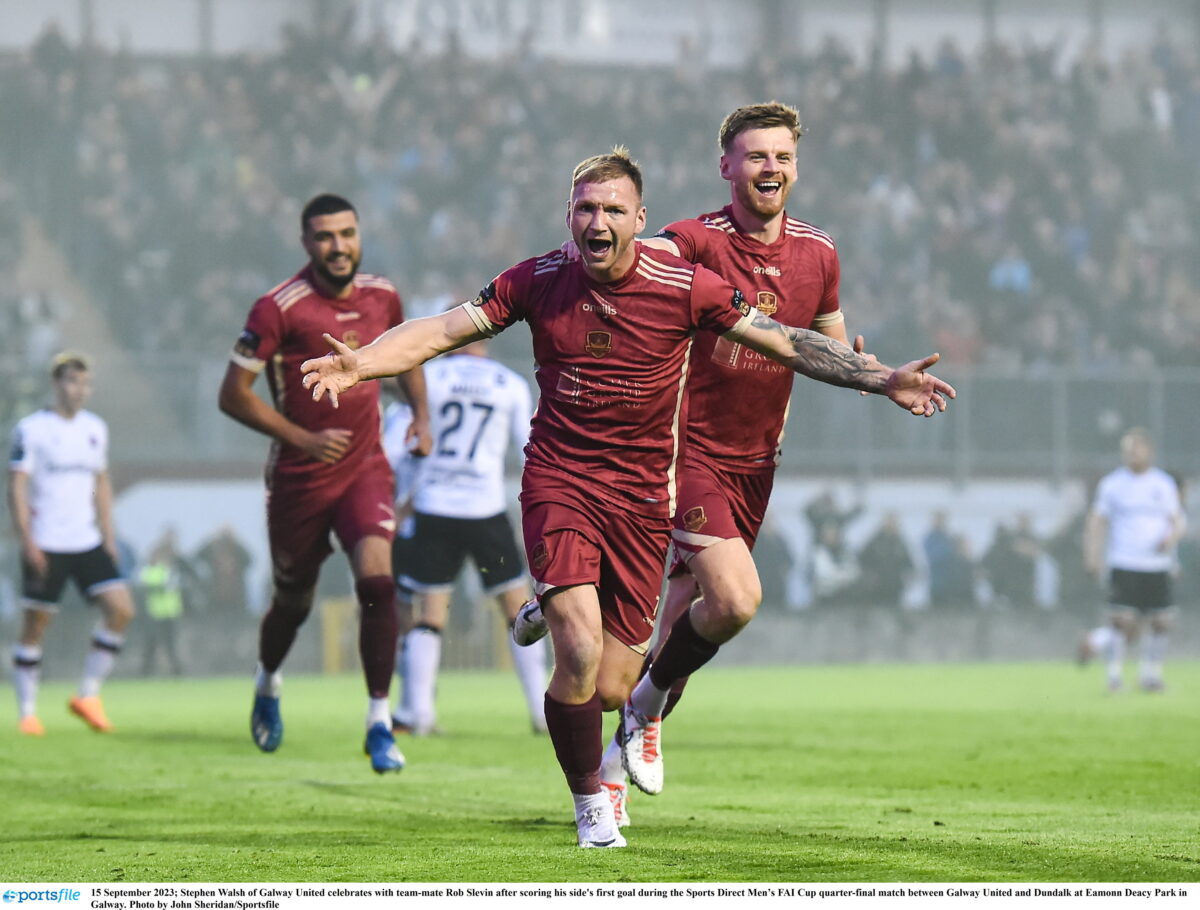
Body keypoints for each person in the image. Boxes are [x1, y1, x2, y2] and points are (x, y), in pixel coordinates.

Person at [301, 147, 955, 847]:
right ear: (569, 217)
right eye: (585, 208)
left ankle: (543, 607)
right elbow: (440, 331)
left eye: (613, 209)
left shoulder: (686, 285)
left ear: (640, 221)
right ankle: (590, 807)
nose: (598, 220)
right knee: (577, 652)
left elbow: (787, 343)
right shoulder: (536, 280)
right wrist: (362, 363)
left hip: (645, 501)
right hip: (561, 482)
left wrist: (878, 377)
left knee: (612, 687)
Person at [514, 103, 881, 815]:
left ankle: (615, 740)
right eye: (754, 156)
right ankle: (629, 728)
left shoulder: (820, 251)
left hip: (755, 462)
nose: (768, 168)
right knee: (737, 598)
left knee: (677, 631)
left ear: (796, 167)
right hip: (684, 454)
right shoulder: (688, 243)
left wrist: (870, 373)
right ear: (727, 167)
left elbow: (823, 339)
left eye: (780, 156)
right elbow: (627, 275)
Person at [218, 193, 431, 773]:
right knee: (293, 601)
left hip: (365, 468)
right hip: (299, 478)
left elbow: (407, 353)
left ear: (359, 235)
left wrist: (421, 414)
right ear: (306, 243)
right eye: (324, 236)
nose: (338, 246)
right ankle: (267, 682)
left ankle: (380, 722)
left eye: (346, 233)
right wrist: (303, 438)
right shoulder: (277, 308)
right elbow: (231, 394)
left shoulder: (383, 295)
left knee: (379, 584)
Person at [390, 335, 547, 736]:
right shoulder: (507, 383)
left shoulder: (429, 377)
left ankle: (419, 713)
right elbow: (529, 447)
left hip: (434, 507)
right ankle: (541, 712)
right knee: (516, 609)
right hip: (485, 510)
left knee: (428, 613)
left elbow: (397, 443)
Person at [8, 352, 136, 735]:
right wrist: (27, 539)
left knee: (122, 609)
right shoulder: (32, 429)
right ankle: (28, 712)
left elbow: (101, 482)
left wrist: (109, 536)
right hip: (47, 540)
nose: (79, 390)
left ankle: (88, 695)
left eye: (85, 383)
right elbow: (16, 485)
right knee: (36, 626)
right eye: (72, 381)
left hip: (86, 539)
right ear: (56, 384)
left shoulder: (95, 428)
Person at [1083, 428, 1185, 693]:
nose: (1132, 454)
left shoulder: (1162, 484)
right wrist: (1093, 555)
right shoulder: (1113, 484)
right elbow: (1097, 521)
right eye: (1128, 450)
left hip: (1156, 564)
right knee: (1121, 620)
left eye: (1137, 449)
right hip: (1125, 561)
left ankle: (1151, 675)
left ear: (1149, 451)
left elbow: (1177, 522)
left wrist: (1170, 542)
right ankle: (1114, 676)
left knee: (1160, 621)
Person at [138, 528, 190, 676]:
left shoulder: (167, 572)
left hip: (169, 613)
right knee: (151, 646)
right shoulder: (149, 572)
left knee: (170, 646)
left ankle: (177, 672)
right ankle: (145, 672)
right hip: (155, 614)